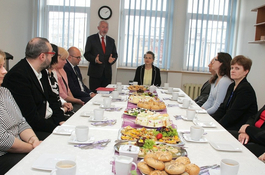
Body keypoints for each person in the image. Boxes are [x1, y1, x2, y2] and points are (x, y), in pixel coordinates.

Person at [2, 37, 67, 140]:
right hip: (33, 130)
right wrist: (57, 128)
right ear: (42, 56)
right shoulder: (18, 76)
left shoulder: (43, 71)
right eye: (51, 54)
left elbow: (53, 100)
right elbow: (30, 118)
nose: (52, 58)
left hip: (47, 122)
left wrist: (62, 121)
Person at [0, 50, 41, 174]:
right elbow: (2, 140)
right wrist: (33, 147)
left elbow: (21, 122)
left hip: (20, 147)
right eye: (0, 67)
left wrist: (34, 139)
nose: (5, 71)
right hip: (3, 155)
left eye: (3, 66)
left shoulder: (4, 92)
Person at [212, 55, 257, 131]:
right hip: (230, 122)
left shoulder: (246, 89)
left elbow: (233, 114)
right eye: (232, 68)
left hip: (239, 127)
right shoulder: (232, 86)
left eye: (237, 68)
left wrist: (218, 126)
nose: (232, 71)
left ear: (246, 71)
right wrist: (212, 120)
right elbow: (223, 107)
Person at [84, 20, 118, 92]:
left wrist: (112, 60)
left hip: (107, 73)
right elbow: (86, 54)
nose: (105, 29)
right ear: (98, 28)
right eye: (103, 27)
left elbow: (115, 54)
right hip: (95, 73)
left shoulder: (111, 41)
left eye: (106, 27)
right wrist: (95, 60)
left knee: (106, 94)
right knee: (94, 94)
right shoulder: (91, 39)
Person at [48, 44, 74, 116]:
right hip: (56, 111)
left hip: (62, 106)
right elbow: (58, 95)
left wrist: (64, 103)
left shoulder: (54, 72)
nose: (66, 62)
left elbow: (57, 94)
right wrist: (64, 107)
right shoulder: (47, 73)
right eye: (63, 59)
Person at [56, 47, 84, 111]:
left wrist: (74, 101)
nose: (65, 62)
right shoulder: (54, 73)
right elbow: (62, 94)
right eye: (63, 59)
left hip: (68, 101)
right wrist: (76, 100)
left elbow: (68, 90)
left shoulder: (62, 70)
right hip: (63, 102)